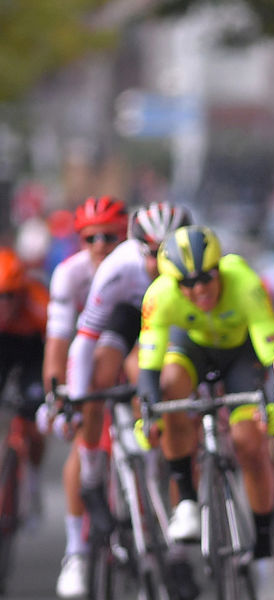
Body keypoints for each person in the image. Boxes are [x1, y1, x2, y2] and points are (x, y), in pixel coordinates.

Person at [137, 225, 274, 600]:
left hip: (240, 356)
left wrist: (272, 406)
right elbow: (149, 366)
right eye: (186, 284)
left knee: (249, 443)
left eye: (206, 278)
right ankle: (187, 499)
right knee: (170, 387)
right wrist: (148, 414)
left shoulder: (245, 282)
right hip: (192, 351)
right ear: (172, 283)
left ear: (220, 268)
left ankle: (265, 555)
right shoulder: (160, 295)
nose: (198, 290)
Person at [64, 202, 199, 597]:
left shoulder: (194, 263)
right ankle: (92, 471)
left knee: (175, 401)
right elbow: (83, 341)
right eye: (151, 252)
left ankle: (176, 546)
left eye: (166, 250)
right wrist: (77, 397)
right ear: (136, 246)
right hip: (129, 319)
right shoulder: (118, 268)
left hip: (172, 326)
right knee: (99, 374)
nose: (159, 261)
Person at [40, 195, 127, 599]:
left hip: (132, 342)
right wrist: (56, 396)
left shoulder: (133, 266)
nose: (100, 245)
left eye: (110, 236)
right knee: (82, 425)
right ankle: (75, 551)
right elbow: (58, 344)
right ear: (80, 240)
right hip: (87, 346)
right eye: (91, 238)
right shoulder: (68, 274)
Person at [0, 248, 48, 525]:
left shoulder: (38, 302)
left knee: (33, 420)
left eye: (9, 296)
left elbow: (57, 343)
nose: (3, 304)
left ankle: (33, 479)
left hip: (32, 351)